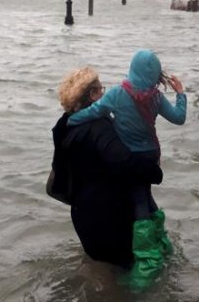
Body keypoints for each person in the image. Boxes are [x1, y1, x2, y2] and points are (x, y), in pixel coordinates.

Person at [67, 49, 186, 288]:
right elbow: (178, 117)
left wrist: (70, 120)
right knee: (148, 197)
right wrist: (181, 94)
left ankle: (145, 263)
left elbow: (93, 111)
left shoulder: (117, 94)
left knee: (139, 200)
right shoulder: (156, 98)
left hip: (131, 160)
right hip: (151, 156)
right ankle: (162, 243)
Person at [51, 66, 164, 268]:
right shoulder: (98, 127)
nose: (104, 92)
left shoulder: (65, 125)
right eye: (100, 89)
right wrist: (154, 171)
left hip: (82, 215)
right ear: (93, 95)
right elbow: (124, 162)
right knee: (124, 276)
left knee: (99, 272)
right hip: (108, 218)